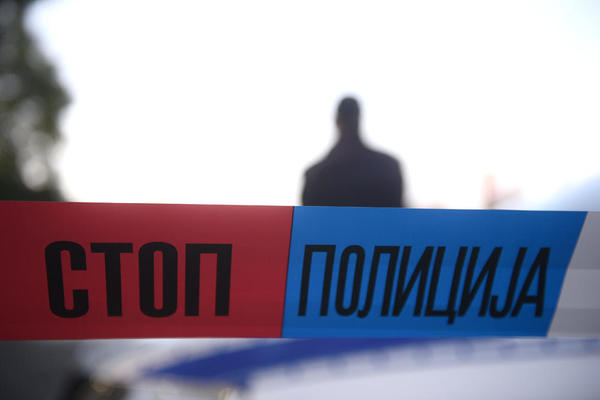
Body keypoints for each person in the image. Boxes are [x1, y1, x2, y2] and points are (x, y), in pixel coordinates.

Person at [302, 97, 405, 207]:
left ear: (337, 121)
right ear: (358, 119)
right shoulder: (388, 167)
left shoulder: (314, 175)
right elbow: (396, 213)